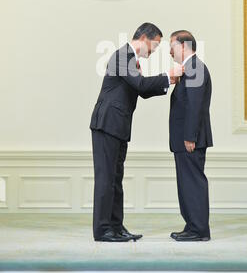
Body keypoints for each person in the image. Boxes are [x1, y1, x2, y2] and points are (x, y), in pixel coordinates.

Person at [90, 23, 183, 242]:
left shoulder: (131, 60)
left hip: (118, 127)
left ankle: (116, 226)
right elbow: (140, 84)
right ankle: (103, 231)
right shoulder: (122, 55)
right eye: (155, 44)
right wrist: (167, 75)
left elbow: (141, 90)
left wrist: (166, 81)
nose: (155, 49)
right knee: (106, 179)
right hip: (107, 125)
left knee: (116, 179)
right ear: (143, 38)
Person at [169, 30, 213, 242]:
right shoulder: (189, 69)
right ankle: (192, 226)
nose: (170, 50)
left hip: (190, 140)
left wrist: (190, 136)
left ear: (184, 45)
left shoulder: (195, 67)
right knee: (186, 184)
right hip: (185, 139)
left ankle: (199, 230)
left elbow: (195, 105)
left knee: (193, 183)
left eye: (172, 46)